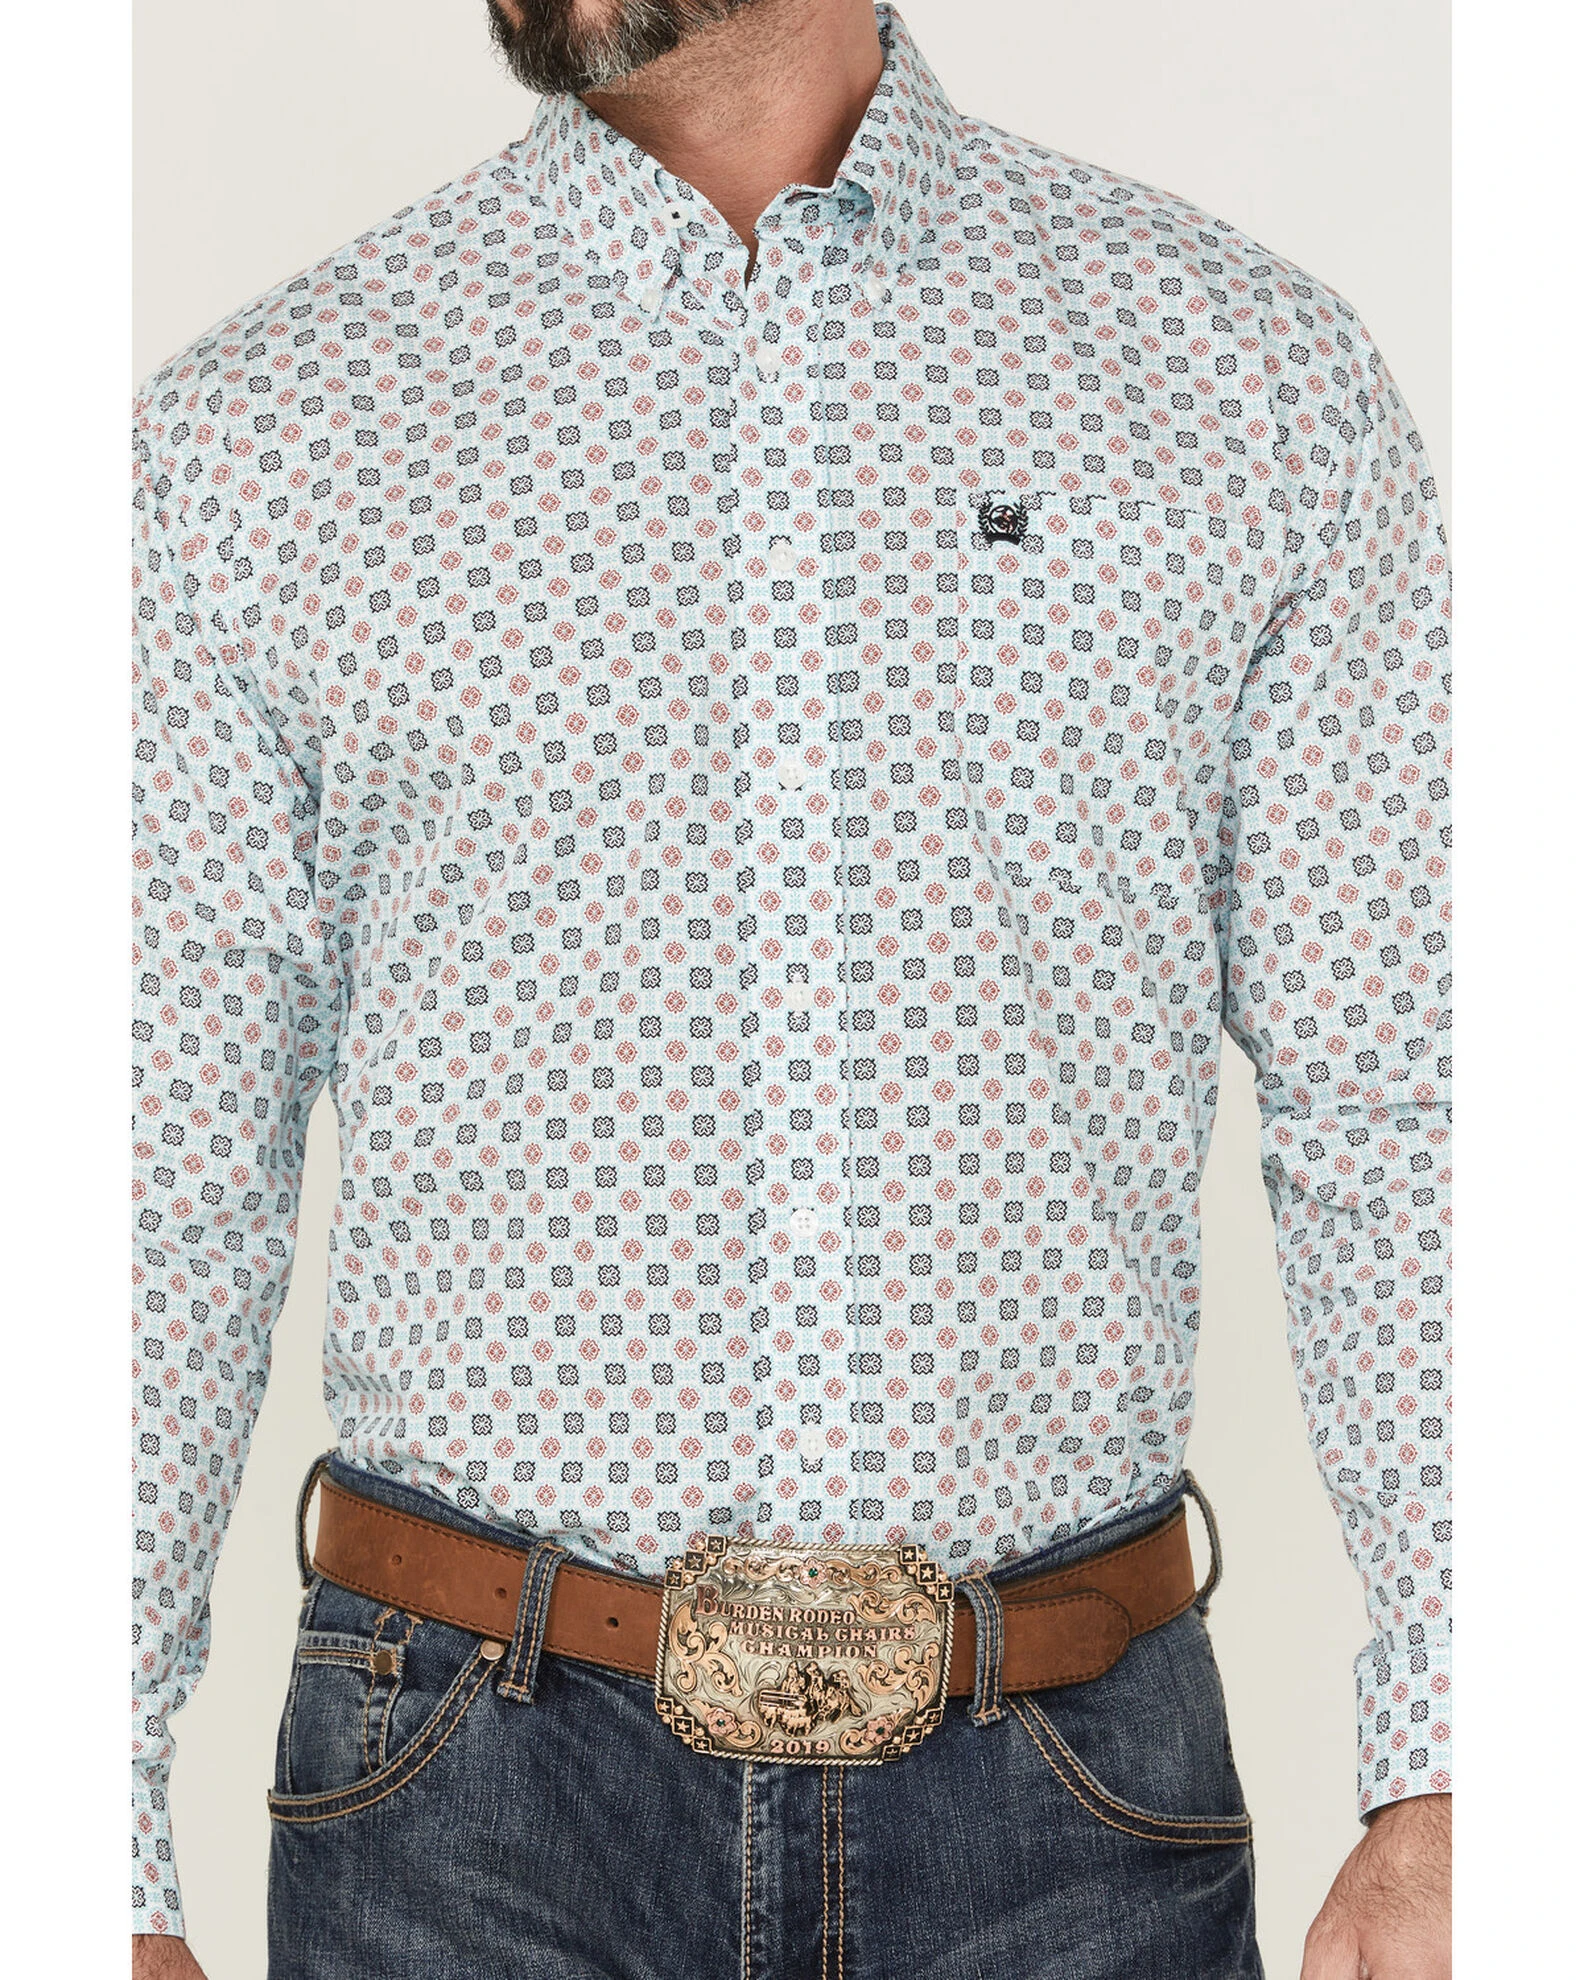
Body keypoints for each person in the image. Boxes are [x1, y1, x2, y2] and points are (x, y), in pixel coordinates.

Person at [130, 3, 1452, 1975]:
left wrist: (1468, 1758)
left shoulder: (1243, 375)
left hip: (1072, 1811)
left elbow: (1420, 1098)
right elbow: (148, 1177)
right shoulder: (258, 437)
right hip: (467, 1817)